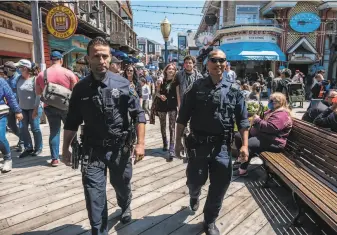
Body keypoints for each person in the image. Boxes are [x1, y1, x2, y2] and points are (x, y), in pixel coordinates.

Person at [61, 37, 146, 235]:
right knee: (93, 195)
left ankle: (125, 205)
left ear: (110, 58)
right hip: (92, 151)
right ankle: (99, 231)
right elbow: (72, 122)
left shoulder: (124, 84)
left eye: (104, 56)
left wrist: (141, 143)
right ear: (88, 59)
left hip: (119, 148)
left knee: (122, 185)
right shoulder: (80, 89)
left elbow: (138, 114)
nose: (101, 60)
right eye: (96, 56)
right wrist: (65, 149)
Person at [175, 50, 249, 235]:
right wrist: (177, 142)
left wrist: (245, 145)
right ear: (207, 64)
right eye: (214, 60)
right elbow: (182, 117)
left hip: (222, 147)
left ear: (226, 64)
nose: (218, 63)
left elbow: (243, 121)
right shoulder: (196, 87)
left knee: (220, 185)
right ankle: (194, 194)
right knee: (195, 180)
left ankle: (209, 221)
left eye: (222, 60)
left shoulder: (234, 90)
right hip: (198, 145)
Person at [234, 92, 293, 177]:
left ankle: (242, 170)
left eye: (273, 101)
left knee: (249, 144)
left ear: (280, 103)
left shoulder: (282, 114)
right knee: (239, 137)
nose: (270, 102)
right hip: (265, 136)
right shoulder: (272, 111)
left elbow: (271, 128)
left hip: (274, 142)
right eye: (270, 100)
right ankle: (242, 159)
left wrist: (258, 120)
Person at [35, 51, 78, 167]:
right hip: (66, 107)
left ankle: (54, 159)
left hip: (49, 107)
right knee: (71, 130)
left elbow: (38, 93)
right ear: (61, 60)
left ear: (51, 60)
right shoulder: (69, 73)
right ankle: (76, 154)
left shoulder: (41, 75)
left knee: (54, 132)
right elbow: (75, 92)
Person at [15, 59, 43, 158]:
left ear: (25, 68)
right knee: (23, 128)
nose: (17, 69)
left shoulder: (34, 79)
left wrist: (36, 109)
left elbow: (38, 96)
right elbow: (17, 94)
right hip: (22, 108)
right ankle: (28, 148)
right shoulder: (18, 79)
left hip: (34, 108)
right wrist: (16, 108)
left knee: (35, 129)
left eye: (19, 67)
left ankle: (38, 148)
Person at [156, 63, 178, 161]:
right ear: (166, 70)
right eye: (169, 68)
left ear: (175, 71)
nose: (171, 70)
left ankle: (172, 148)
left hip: (172, 106)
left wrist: (179, 106)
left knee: (172, 127)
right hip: (162, 105)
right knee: (163, 125)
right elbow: (156, 92)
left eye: (173, 69)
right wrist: (160, 96)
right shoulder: (161, 81)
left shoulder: (176, 81)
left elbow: (178, 94)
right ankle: (165, 143)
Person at [0, 78, 23, 173]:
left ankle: (8, 158)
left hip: (1, 114)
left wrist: (17, 111)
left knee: (0, 137)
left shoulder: (1, 81)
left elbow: (10, 96)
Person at [4, 61, 24, 152]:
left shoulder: (18, 78)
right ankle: (22, 138)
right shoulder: (8, 79)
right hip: (10, 105)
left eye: (5, 69)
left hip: (19, 105)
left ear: (9, 69)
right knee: (11, 124)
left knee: (21, 125)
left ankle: (23, 143)